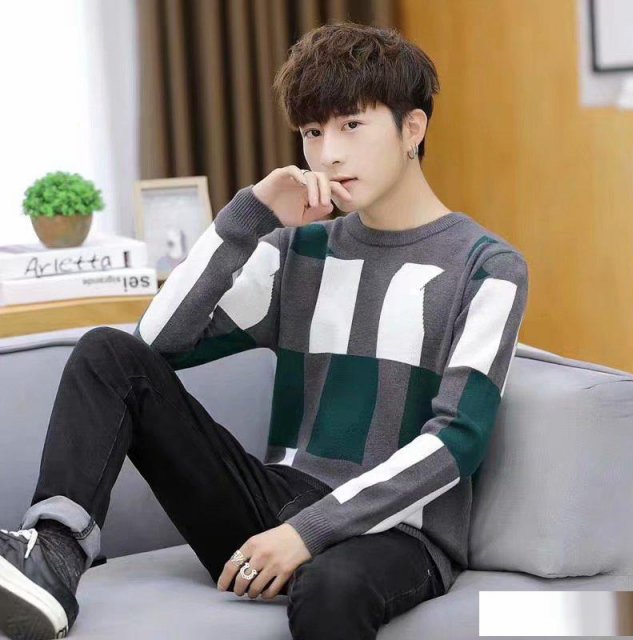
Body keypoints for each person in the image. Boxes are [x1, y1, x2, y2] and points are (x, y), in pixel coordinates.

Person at [0, 20, 529, 640]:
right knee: (105, 352)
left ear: (412, 129)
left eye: (351, 125)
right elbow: (154, 347)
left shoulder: (487, 267)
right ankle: (55, 554)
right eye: (312, 132)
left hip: (399, 533)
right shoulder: (299, 252)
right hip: (274, 506)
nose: (327, 154)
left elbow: (458, 439)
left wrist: (308, 533)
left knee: (331, 586)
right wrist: (247, 217)